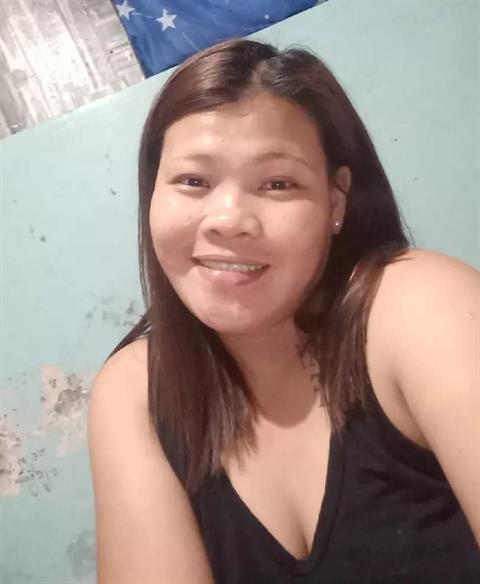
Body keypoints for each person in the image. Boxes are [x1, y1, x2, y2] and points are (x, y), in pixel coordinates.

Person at [87, 39, 479, 584]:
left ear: (336, 202)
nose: (228, 220)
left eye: (277, 183)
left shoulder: (421, 304)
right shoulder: (135, 392)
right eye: (193, 181)